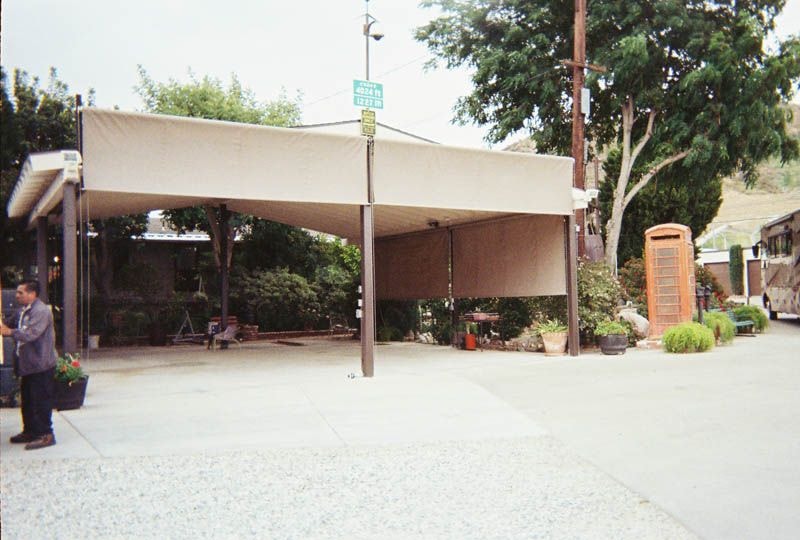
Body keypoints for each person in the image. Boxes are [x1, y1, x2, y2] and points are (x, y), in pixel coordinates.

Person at [0, 280, 57, 450]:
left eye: (20, 293)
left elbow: (31, 334)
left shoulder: (41, 311)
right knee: (29, 401)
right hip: (28, 365)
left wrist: (9, 332)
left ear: (32, 294)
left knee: (41, 401)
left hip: (41, 365)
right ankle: (31, 431)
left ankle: (46, 434)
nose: (17, 295)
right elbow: (8, 324)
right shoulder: (22, 311)